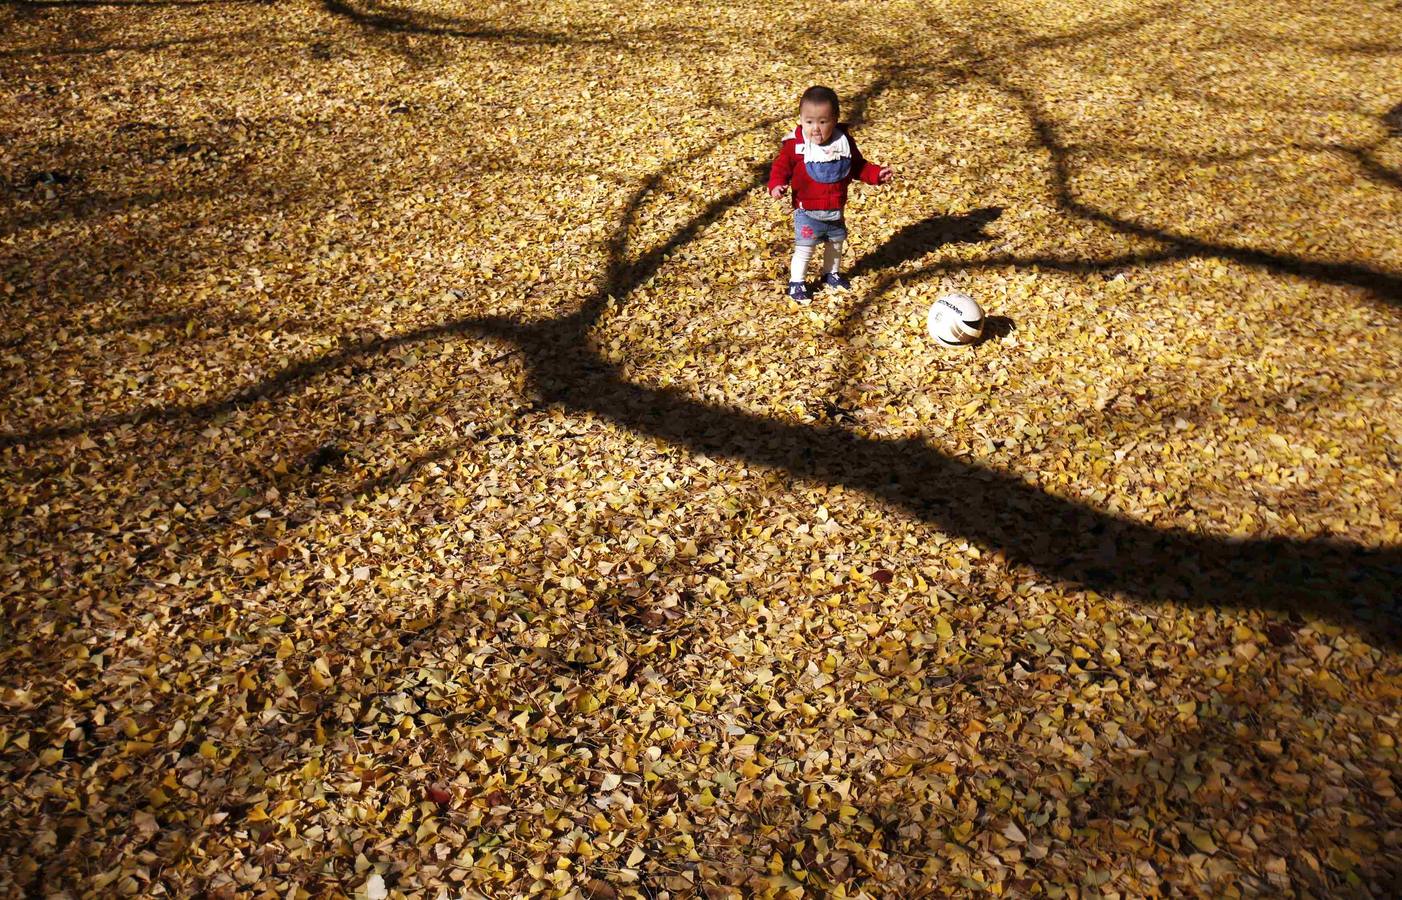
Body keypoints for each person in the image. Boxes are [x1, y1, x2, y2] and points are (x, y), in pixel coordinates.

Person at [768, 85, 892, 304]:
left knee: (835, 244)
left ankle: (831, 273)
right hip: (807, 211)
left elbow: (858, 166)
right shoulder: (796, 145)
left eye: (823, 122)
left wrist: (876, 174)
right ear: (801, 119)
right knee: (805, 248)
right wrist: (777, 184)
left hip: (835, 208)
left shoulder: (843, 143)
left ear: (835, 120)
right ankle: (797, 282)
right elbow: (781, 167)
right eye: (809, 122)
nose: (815, 129)